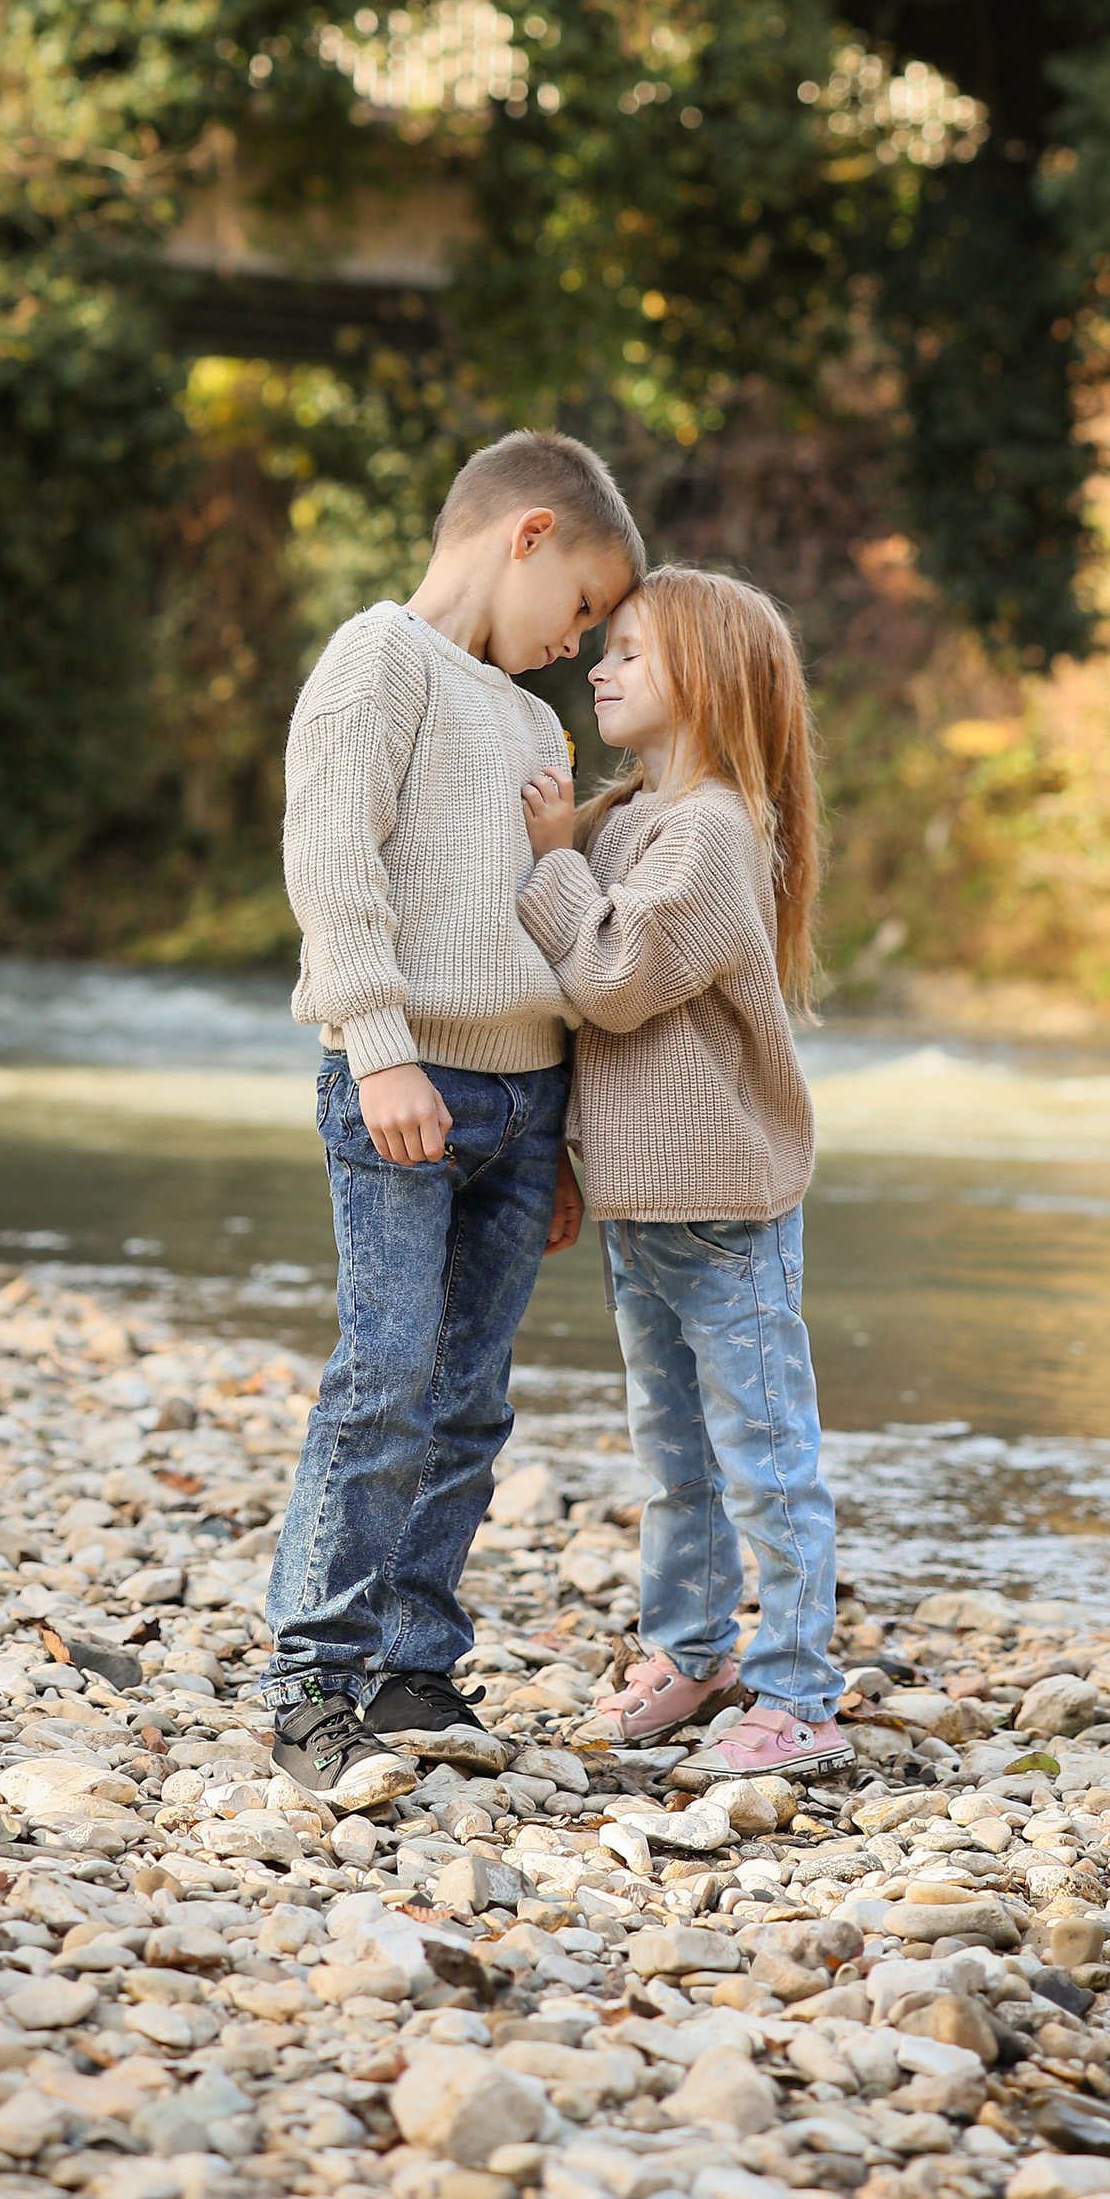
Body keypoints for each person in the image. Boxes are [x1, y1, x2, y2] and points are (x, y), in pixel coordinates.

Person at [263, 427, 645, 1809]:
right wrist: (378, 1050)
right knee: (385, 1373)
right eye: (583, 608)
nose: (577, 645)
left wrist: (569, 1143)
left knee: (471, 1395)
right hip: (406, 1079)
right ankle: (315, 1672)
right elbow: (330, 861)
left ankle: (417, 1659)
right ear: (527, 535)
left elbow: (554, 930)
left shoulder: (531, 721)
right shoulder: (381, 660)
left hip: (525, 1097)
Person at [515, 565, 848, 1776]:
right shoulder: (622, 819)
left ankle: (801, 1694)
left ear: (702, 681)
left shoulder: (711, 831)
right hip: (640, 1204)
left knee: (763, 1452)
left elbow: (606, 980)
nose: (595, 668)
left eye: (628, 654)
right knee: (672, 1452)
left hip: (724, 1208)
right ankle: (693, 1648)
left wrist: (552, 859)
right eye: (598, 648)